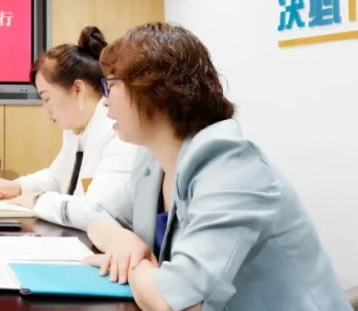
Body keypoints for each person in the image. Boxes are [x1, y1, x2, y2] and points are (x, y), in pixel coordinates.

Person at [85, 22, 350, 311]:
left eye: (111, 86)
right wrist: (123, 243)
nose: (105, 102)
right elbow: (98, 214)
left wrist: (135, 267)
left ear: (154, 90)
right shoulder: (152, 162)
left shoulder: (231, 169)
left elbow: (174, 302)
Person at [0, 26, 138, 231]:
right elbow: (56, 178)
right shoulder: (76, 130)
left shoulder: (118, 130)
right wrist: (19, 187)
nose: (45, 108)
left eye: (46, 98)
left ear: (78, 89)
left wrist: (36, 200)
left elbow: (97, 210)